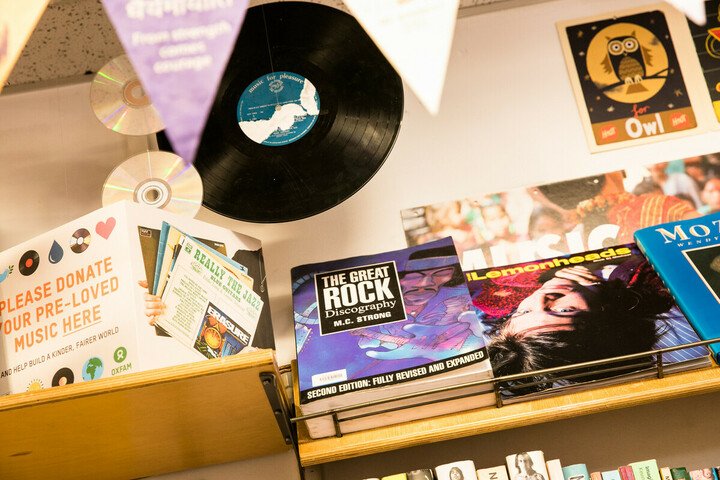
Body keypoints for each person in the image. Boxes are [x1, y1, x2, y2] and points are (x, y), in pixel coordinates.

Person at [481, 257, 706, 395]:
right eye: (564, 311)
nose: (541, 297)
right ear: (605, 320)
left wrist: (555, 273)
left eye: (524, 312)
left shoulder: (504, 298)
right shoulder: (673, 300)